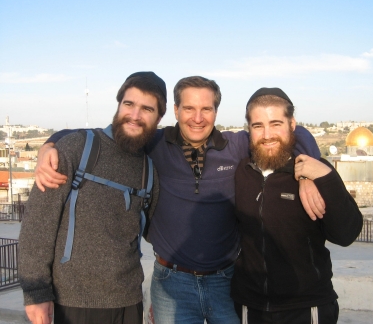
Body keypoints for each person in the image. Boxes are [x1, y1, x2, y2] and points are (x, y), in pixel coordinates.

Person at [34, 77, 324, 324]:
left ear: (215, 111)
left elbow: (296, 133)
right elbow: (98, 136)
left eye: (206, 109)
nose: (197, 118)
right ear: (175, 110)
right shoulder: (155, 144)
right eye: (189, 108)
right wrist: (51, 143)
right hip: (172, 284)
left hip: (227, 282)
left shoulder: (235, 146)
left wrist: (308, 172)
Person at [18, 71, 166, 324]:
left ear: (159, 117)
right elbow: (38, 225)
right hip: (74, 302)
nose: (135, 115)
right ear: (118, 105)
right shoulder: (77, 148)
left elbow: (153, 231)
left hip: (129, 301)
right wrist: (35, 292)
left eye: (147, 109)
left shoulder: (149, 170)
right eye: (128, 104)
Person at [231, 88, 363, 324]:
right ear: (248, 129)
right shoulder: (241, 172)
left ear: (292, 124)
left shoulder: (317, 171)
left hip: (306, 308)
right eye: (258, 126)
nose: (267, 134)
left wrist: (325, 177)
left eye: (276, 123)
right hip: (249, 309)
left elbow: (346, 234)